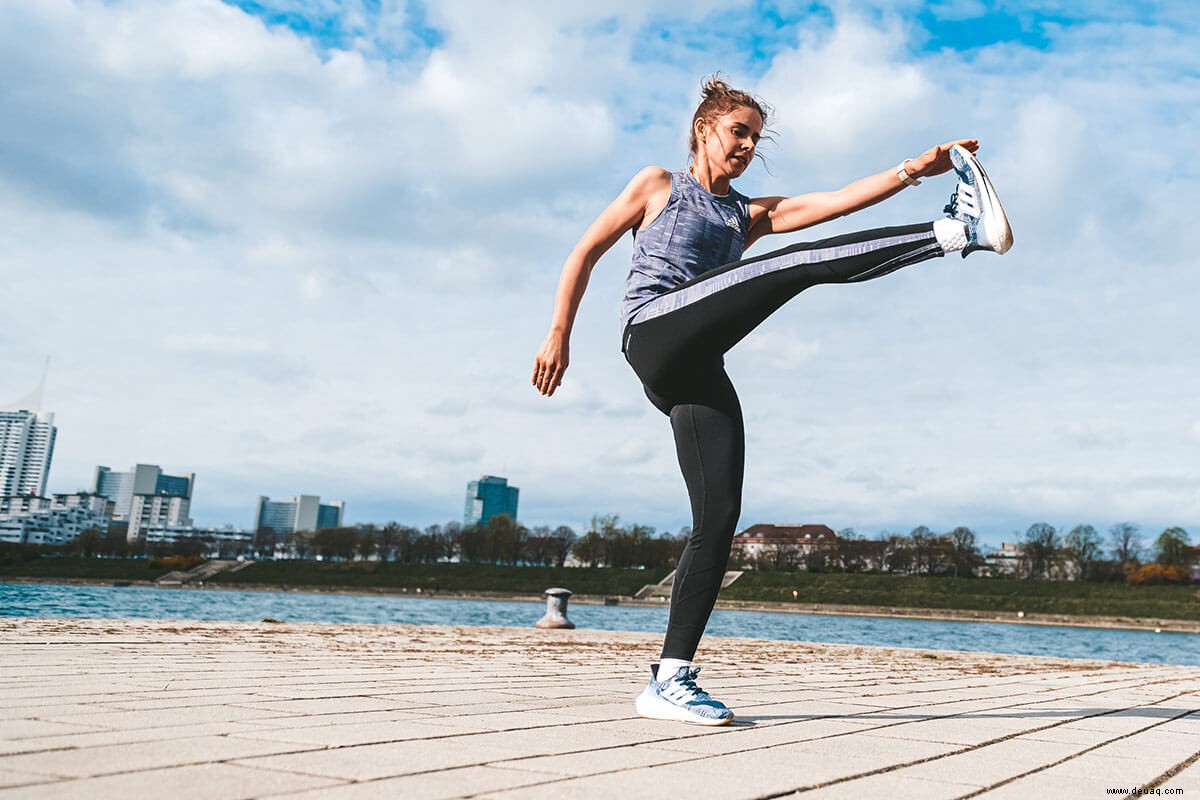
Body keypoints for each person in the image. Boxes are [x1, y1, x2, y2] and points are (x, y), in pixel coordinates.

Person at [531, 78, 1012, 726]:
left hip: (694, 372)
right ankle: (956, 232)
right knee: (795, 265)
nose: (749, 146)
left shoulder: (748, 215)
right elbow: (584, 251)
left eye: (757, 138)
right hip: (652, 332)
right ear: (704, 129)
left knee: (718, 518)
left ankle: (669, 680)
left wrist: (911, 169)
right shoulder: (657, 185)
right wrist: (559, 331)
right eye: (739, 132)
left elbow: (837, 202)